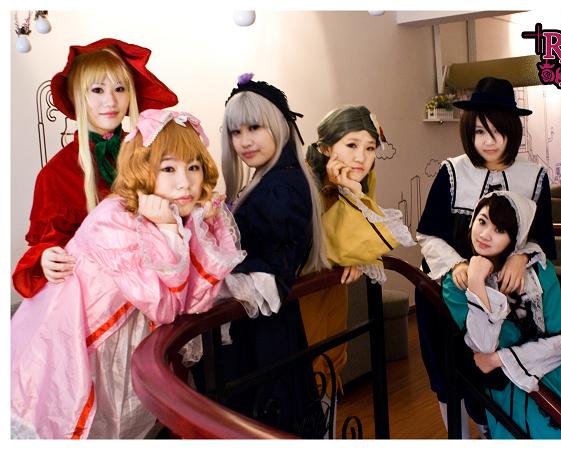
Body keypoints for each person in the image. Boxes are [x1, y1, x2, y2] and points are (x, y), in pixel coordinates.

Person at [11, 109, 246, 439]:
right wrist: (169, 230)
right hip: (66, 352)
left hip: (112, 352)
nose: (185, 182)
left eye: (193, 167)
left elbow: (195, 300)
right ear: (142, 169)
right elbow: (166, 307)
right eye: (169, 168)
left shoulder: (171, 213)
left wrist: (202, 225)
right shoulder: (114, 219)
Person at [415, 77, 557, 437]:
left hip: (501, 302)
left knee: (489, 375)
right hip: (445, 296)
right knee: (446, 377)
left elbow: (542, 240)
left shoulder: (534, 176)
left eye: (497, 131)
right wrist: (458, 265)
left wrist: (519, 257)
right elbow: (428, 234)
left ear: (513, 131)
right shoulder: (452, 171)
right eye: (480, 131)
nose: (488, 141)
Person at [205, 73, 330, 437]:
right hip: (267, 327)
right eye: (236, 132)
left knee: (266, 422)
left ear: (278, 125)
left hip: (266, 333)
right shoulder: (271, 178)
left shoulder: (281, 187)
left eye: (255, 128)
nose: (244, 141)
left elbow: (274, 268)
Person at [12, 38, 178, 299]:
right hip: (98, 300)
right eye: (97, 90)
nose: (110, 101)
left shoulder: (153, 153)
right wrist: (47, 258)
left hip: (160, 287)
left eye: (120, 89)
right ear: (76, 96)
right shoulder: (56, 174)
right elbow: (46, 244)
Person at [442, 190, 561, 438]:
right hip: (508, 385)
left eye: (500, 230)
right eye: (482, 221)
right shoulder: (456, 283)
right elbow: (483, 345)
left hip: (558, 375)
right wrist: (477, 281)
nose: (485, 235)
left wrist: (498, 359)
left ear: (515, 237)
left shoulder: (538, 271)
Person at [301, 105, 415, 405]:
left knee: (331, 364)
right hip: (301, 296)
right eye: (351, 145)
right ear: (326, 147)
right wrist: (352, 251)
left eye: (370, 148)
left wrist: (360, 256)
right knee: (307, 377)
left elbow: (362, 238)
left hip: (332, 293)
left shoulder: (360, 180)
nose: (361, 158)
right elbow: (326, 245)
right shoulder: (305, 183)